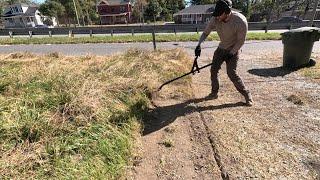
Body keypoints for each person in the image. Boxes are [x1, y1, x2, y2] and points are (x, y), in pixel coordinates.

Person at [195, 0, 253, 106]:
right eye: (216, 15)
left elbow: (241, 41)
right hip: (221, 48)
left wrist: (231, 53)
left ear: (227, 12)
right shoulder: (216, 18)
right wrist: (198, 45)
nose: (217, 17)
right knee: (214, 70)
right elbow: (205, 32)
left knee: (232, 73)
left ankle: (247, 94)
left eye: (219, 15)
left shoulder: (240, 21)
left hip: (233, 49)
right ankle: (214, 93)